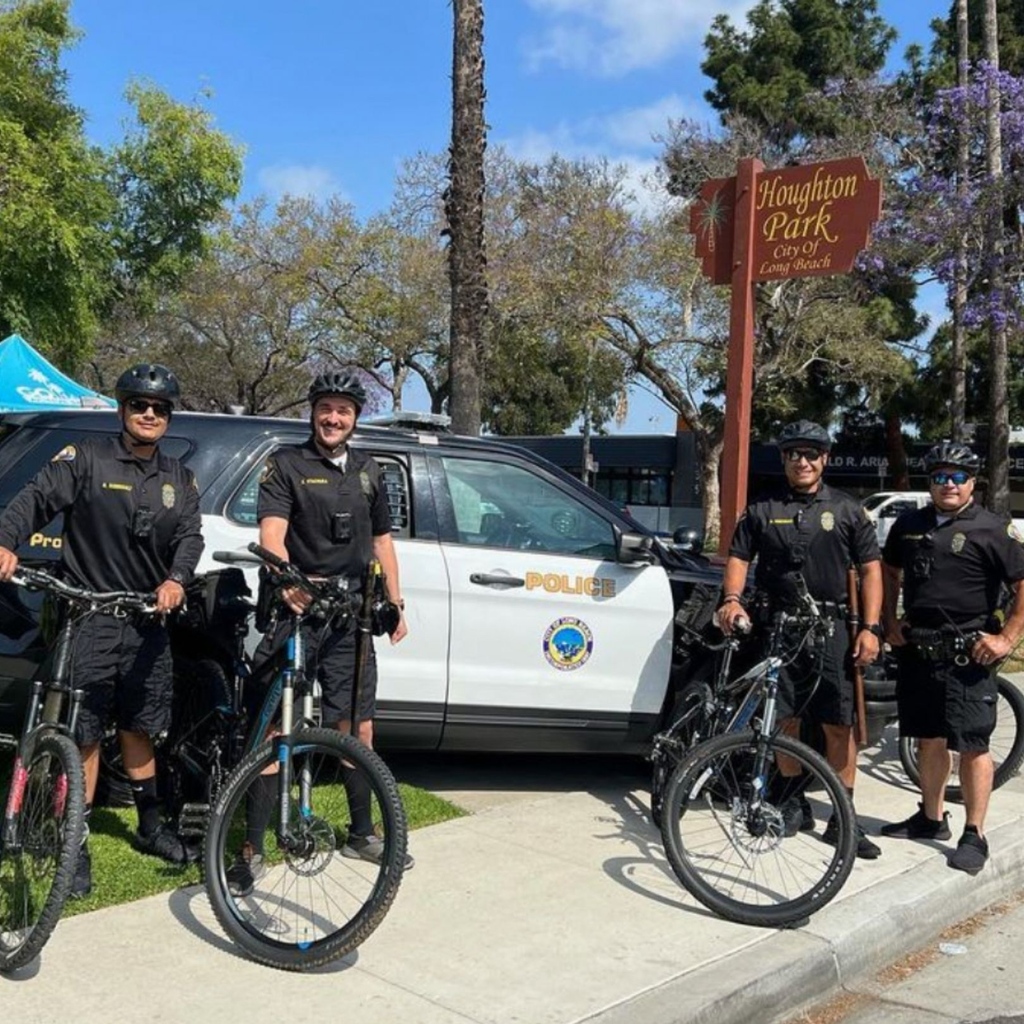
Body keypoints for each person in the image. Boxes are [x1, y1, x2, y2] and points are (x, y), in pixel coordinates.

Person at [0, 364, 203, 897]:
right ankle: (76, 842)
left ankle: (151, 825)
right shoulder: (86, 459)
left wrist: (177, 579)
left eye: (159, 409)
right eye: (139, 405)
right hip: (88, 618)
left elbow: (190, 536)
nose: (149, 414)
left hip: (145, 622)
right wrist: (4, 540)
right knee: (85, 734)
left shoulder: (179, 478)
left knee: (140, 727)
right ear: (122, 409)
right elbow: (34, 500)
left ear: (168, 417)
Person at [226, 369, 410, 894]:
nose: (334, 418)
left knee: (357, 727)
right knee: (273, 728)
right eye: (326, 408)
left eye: (343, 411)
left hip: (351, 614)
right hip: (298, 607)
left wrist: (395, 603)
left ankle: (361, 833)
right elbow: (272, 532)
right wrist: (287, 580)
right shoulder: (286, 463)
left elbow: (382, 541)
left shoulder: (370, 470)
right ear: (313, 412)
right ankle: (252, 848)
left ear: (355, 418)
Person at [717, 419, 883, 858]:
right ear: (784, 459)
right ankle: (792, 803)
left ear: (825, 458)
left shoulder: (848, 509)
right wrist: (732, 600)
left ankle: (843, 817)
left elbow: (871, 571)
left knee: (838, 724)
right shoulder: (762, 507)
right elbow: (738, 558)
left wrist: (870, 628)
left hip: (833, 630)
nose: (802, 461)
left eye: (811, 453)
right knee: (784, 719)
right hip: (780, 628)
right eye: (794, 454)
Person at [880, 441, 1024, 875]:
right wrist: (889, 619)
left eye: (958, 477)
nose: (949, 484)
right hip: (919, 649)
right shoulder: (909, 524)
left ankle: (974, 833)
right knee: (928, 738)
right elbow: (888, 571)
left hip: (969, 654)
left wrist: (1007, 639)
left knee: (973, 746)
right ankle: (931, 817)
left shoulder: (993, 528)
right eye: (940, 476)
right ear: (930, 482)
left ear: (972, 483)